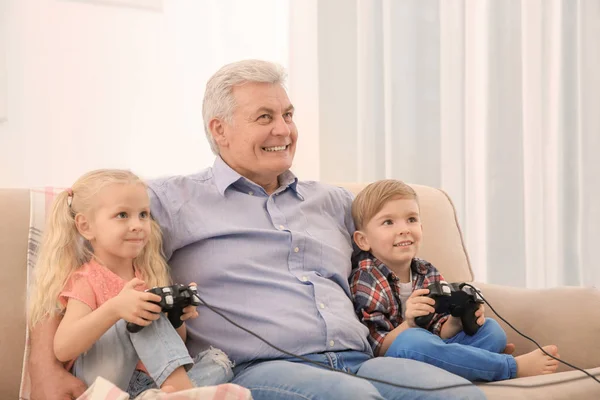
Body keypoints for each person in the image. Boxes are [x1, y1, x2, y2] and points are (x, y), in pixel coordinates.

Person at [29, 60, 485, 400]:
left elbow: (398, 252)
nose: (283, 129)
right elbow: (70, 249)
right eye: (264, 117)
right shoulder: (167, 200)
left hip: (361, 358)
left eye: (288, 114)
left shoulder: (335, 202)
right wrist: (44, 366)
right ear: (219, 129)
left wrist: (446, 309)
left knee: (461, 395)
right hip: (258, 368)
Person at [27, 169, 233, 397]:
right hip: (104, 382)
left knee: (218, 361)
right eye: (122, 215)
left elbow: (171, 348)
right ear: (85, 226)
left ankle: (163, 395)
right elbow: (63, 348)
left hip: (146, 383)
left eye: (143, 214)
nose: (137, 225)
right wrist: (115, 309)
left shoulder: (146, 277)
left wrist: (176, 318)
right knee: (141, 312)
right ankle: (182, 394)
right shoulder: (86, 279)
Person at [349, 179, 561, 381]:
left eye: (412, 219)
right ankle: (507, 367)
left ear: (421, 228)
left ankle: (473, 364)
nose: (404, 229)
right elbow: (377, 348)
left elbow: (440, 331)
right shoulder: (366, 277)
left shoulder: (426, 271)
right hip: (397, 358)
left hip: (433, 350)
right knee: (413, 340)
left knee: (491, 330)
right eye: (388, 222)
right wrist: (410, 324)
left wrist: (456, 321)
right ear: (363, 240)